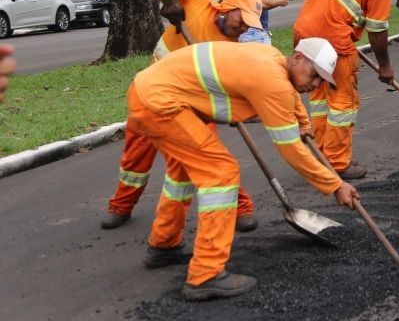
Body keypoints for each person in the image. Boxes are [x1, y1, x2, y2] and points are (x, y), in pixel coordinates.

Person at [128, 37, 360, 301]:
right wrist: (334, 184)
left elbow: (290, 93)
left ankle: (164, 244)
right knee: (221, 173)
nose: (315, 84)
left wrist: (303, 122)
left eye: (321, 81)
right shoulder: (272, 82)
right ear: (297, 58)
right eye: (315, 75)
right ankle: (205, 275)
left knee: (183, 172)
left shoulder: (273, 59)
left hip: (149, 93)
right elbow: (291, 151)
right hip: (161, 104)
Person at [101, 0, 263, 231]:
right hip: (152, 93)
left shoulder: (230, 46)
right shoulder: (197, 0)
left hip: (191, 106)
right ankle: (121, 206)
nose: (244, 28)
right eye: (242, 20)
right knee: (135, 157)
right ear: (228, 8)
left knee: (212, 158)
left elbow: (227, 83)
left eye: (249, 25)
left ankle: (240, 208)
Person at [292, 0, 399, 180]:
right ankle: (337, 162)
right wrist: (385, 66)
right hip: (334, 41)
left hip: (305, 30)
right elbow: (377, 30)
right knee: (343, 103)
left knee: (319, 97)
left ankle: (321, 153)